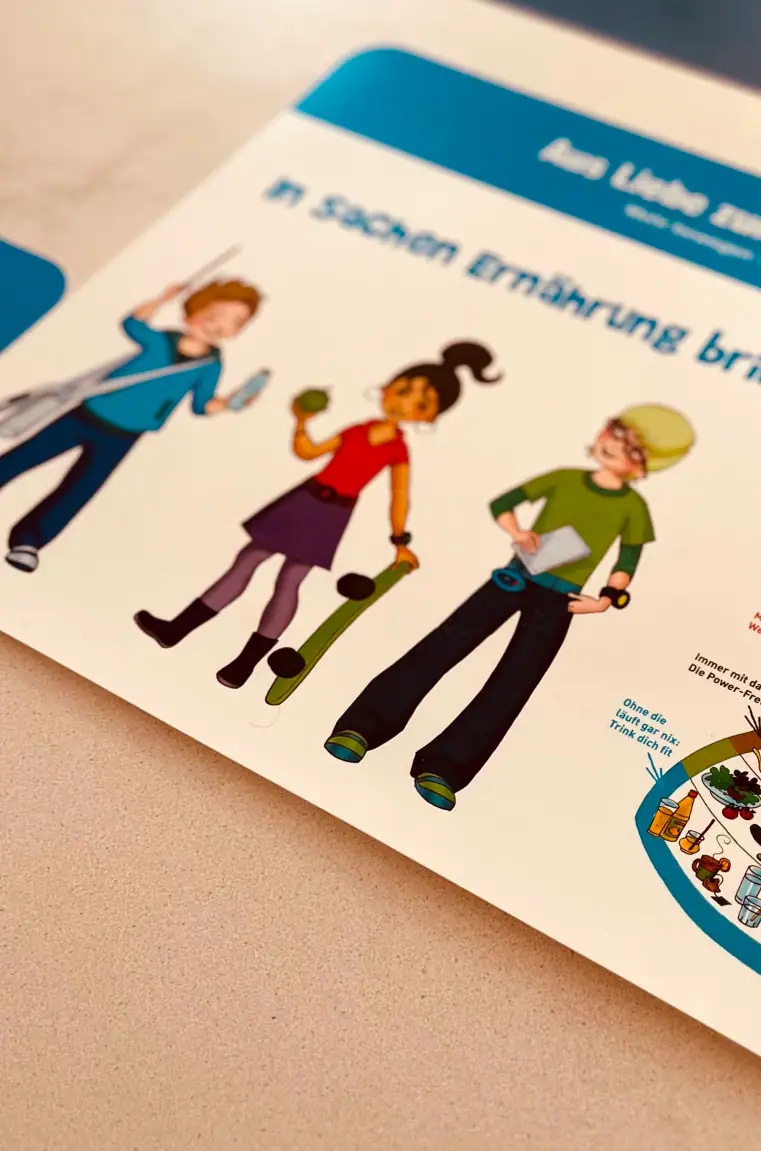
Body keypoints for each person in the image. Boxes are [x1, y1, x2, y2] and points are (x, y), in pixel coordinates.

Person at [324, 404, 696, 812]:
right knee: (441, 647)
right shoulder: (564, 478)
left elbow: (628, 557)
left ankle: (446, 768)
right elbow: (504, 503)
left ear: (643, 466)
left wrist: (606, 599)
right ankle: (362, 727)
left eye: (631, 449)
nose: (614, 447)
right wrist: (518, 532)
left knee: (514, 682)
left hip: (562, 599)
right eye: (615, 433)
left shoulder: (633, 507)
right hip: (515, 576)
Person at [133, 341, 501, 689]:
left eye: (421, 403)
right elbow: (309, 452)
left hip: (331, 514)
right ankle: (176, 630)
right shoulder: (357, 430)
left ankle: (245, 663)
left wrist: (399, 541)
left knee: (289, 581)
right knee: (247, 560)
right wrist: (301, 421)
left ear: (432, 415)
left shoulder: (397, 450)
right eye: (403, 390)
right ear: (389, 387)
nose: (405, 403)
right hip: (304, 500)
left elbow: (399, 497)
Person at [0, 278, 262, 573]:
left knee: (80, 488)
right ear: (192, 312)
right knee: (24, 457)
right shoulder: (160, 340)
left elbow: (202, 405)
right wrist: (163, 298)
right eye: (214, 315)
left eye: (236, 322)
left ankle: (29, 541)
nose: (219, 326)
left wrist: (229, 403)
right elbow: (132, 324)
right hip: (89, 413)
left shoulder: (210, 365)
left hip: (126, 434)